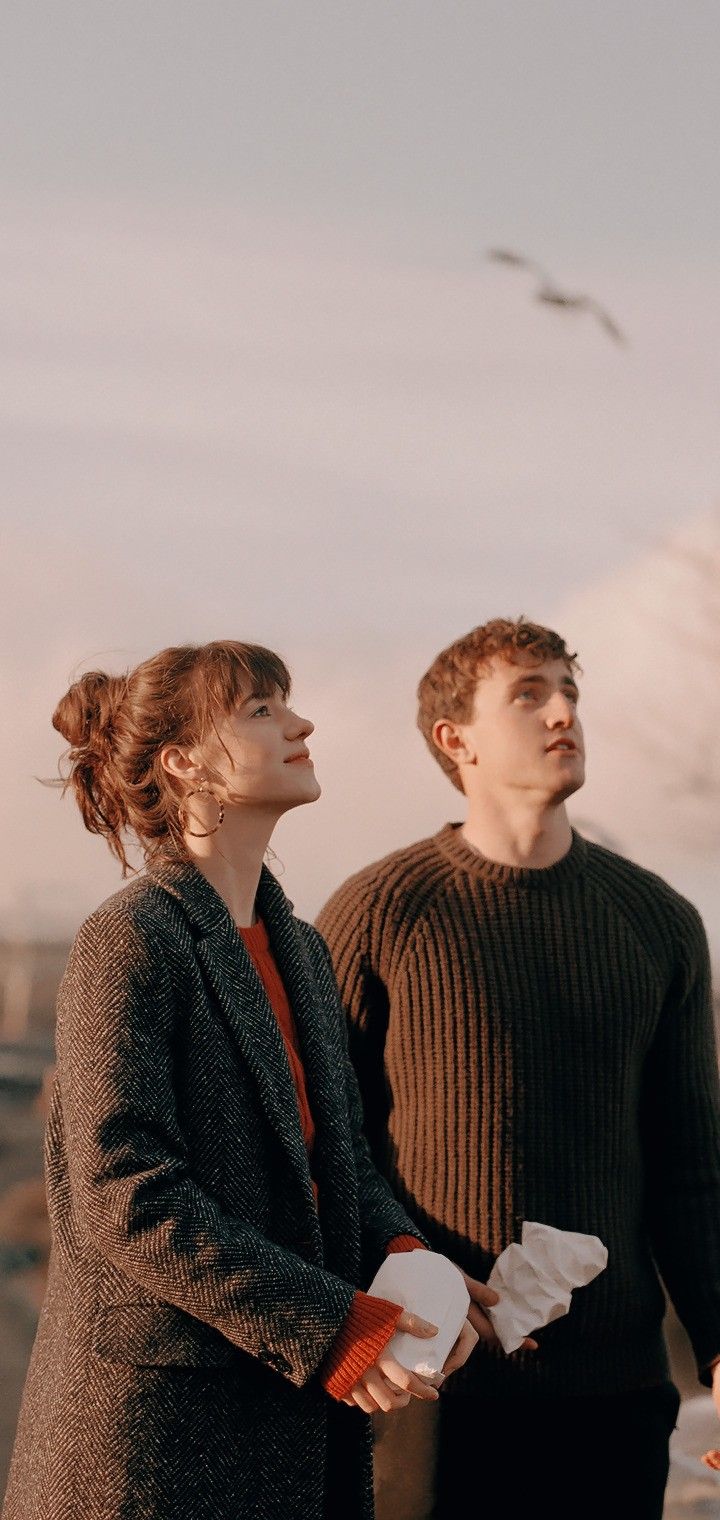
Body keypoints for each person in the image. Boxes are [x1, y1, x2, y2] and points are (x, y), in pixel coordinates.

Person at [2, 639, 482, 1520]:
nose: (301, 723)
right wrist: (333, 1326)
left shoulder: (300, 948)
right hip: (157, 1441)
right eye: (262, 710)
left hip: (288, 1428)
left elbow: (335, 1160)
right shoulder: (130, 938)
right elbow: (125, 1195)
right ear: (185, 761)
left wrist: (404, 1255)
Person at [317, 617, 720, 1520]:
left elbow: (693, 1167)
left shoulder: (660, 922)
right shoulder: (378, 913)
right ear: (454, 739)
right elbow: (319, 1143)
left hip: (615, 1396)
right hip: (429, 1389)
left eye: (568, 690)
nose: (562, 711)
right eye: (528, 693)